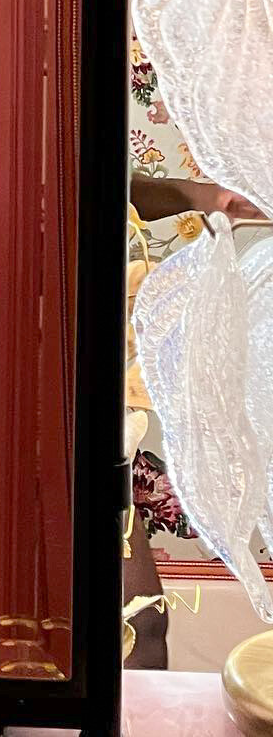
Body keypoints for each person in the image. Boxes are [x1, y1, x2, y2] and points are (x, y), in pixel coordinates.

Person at [124, 173, 264, 668]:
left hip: (94, 417)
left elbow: (116, 182)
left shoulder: (73, 147)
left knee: (144, 624)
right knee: (137, 624)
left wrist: (210, 197)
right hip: (37, 412)